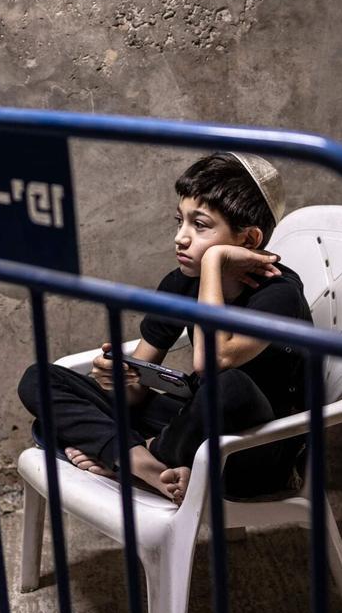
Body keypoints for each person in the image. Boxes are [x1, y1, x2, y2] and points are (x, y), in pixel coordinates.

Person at [17, 152, 311, 503]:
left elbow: (211, 361)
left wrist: (215, 262)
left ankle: (127, 453)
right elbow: (134, 394)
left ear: (248, 240)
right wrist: (118, 379)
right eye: (180, 221)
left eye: (199, 226)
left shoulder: (279, 294)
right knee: (40, 380)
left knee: (227, 386)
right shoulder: (181, 282)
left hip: (257, 450)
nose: (180, 238)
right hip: (191, 429)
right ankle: (143, 462)